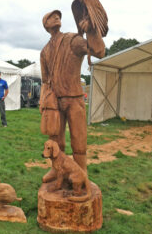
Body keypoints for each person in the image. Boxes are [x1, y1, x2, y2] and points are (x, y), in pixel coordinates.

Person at [40, 10, 105, 172]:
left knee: (78, 138)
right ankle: (57, 171)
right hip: (54, 102)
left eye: (58, 16)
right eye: (51, 16)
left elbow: (99, 51)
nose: (57, 17)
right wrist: (43, 102)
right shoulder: (45, 51)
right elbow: (44, 80)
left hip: (75, 99)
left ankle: (81, 173)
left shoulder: (72, 40)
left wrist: (91, 31)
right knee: (55, 139)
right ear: (45, 25)